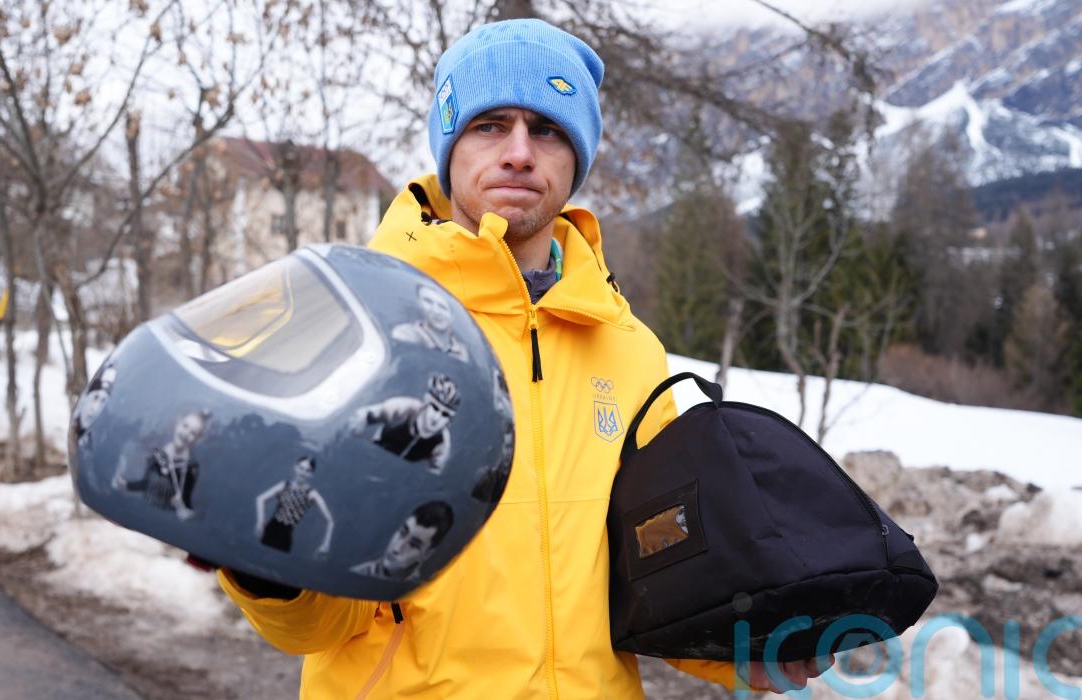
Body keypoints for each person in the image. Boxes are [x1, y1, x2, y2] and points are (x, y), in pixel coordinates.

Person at [217, 18, 829, 697]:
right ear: (450, 146)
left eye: (546, 129)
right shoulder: (359, 321)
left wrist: (742, 649)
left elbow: (655, 571)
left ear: (577, 156)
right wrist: (267, 567)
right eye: (489, 126)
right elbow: (317, 623)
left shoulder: (627, 347)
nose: (518, 153)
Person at [348, 373, 459, 474]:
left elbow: (435, 474)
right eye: (435, 408)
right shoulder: (403, 408)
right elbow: (364, 414)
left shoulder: (443, 443)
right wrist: (356, 433)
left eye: (445, 414)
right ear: (426, 402)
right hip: (368, 463)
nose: (436, 418)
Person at [120, 409, 209, 519]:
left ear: (197, 439)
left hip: (163, 520)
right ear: (177, 424)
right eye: (185, 426)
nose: (186, 433)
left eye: (193, 433)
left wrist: (181, 506)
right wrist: (126, 485)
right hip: (140, 513)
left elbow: (189, 508)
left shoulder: (190, 469)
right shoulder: (157, 454)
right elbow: (146, 484)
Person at [350, 501, 454, 581]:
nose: (397, 548)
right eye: (402, 532)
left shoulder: (425, 590)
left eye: (413, 544)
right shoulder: (358, 574)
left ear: (427, 554)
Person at [255, 456, 334, 557]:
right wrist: (260, 521)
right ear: (295, 467)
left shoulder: (312, 493)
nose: (302, 472)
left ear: (311, 474)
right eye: (301, 468)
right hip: (269, 531)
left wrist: (326, 544)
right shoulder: (284, 485)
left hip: (285, 536)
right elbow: (260, 499)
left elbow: (330, 521)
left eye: (307, 470)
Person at [392, 283, 471, 361]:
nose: (436, 311)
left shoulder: (462, 351)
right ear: (419, 304)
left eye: (443, 307)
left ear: (453, 316)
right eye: (428, 302)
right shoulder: (405, 334)